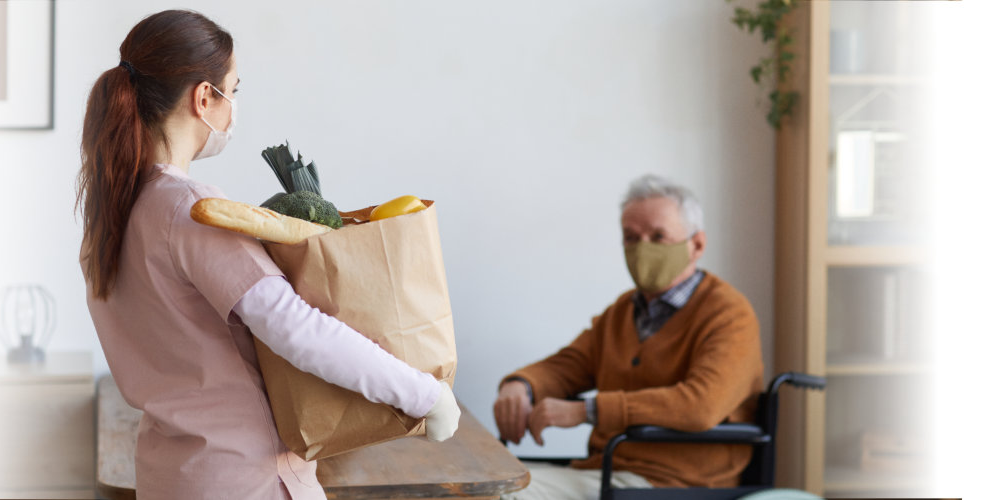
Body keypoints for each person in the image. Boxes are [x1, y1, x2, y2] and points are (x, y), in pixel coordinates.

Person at [77, 10, 458, 500]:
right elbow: (294, 327)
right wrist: (426, 395)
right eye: (232, 91)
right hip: (242, 478)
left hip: (168, 476)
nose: (233, 106)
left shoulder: (110, 215)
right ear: (203, 97)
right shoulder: (190, 210)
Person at [493, 174, 765, 500]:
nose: (642, 248)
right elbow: (570, 364)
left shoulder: (728, 313)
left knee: (495, 493)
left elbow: (700, 405)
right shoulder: (623, 310)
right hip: (605, 471)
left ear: (697, 245)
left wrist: (586, 411)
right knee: (476, 478)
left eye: (658, 236)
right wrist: (521, 384)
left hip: (673, 484)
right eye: (631, 238)